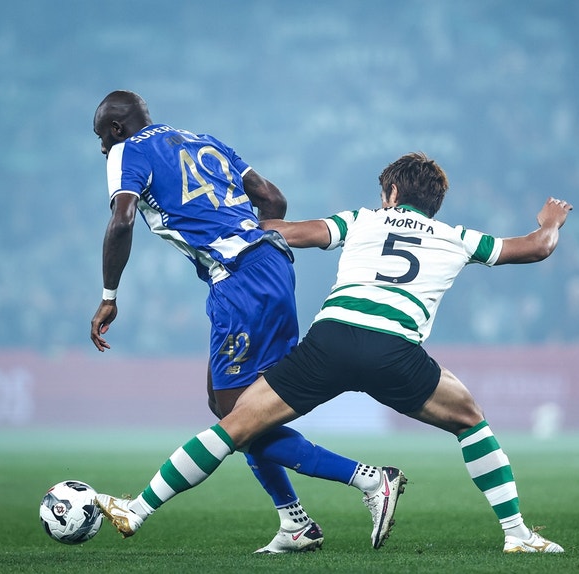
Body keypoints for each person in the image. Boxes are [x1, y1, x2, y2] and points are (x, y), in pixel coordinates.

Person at [94, 152, 572, 553]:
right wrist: (549, 221)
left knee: (234, 425)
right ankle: (517, 534)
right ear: (435, 203)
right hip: (395, 350)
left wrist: (218, 221)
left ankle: (137, 509)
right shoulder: (457, 237)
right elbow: (536, 248)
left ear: (389, 194)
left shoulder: (361, 220)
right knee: (470, 419)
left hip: (331, 341)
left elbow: (285, 231)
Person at [89, 90, 407, 552]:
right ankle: (294, 523)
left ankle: (369, 480)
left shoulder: (127, 151)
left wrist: (108, 297)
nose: (102, 148)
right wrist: (248, 245)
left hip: (240, 281)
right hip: (272, 264)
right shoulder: (204, 141)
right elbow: (272, 198)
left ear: (116, 129)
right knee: (230, 409)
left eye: (101, 137)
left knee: (236, 416)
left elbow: (122, 220)